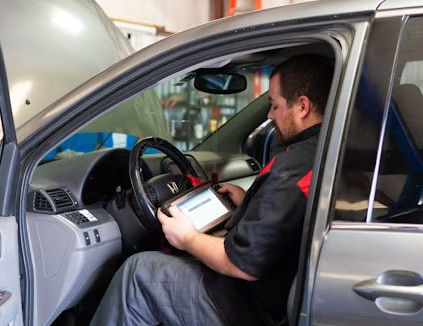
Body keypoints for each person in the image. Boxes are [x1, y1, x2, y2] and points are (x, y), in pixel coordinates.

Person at [89, 54, 334, 326]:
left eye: (274, 105)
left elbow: (243, 264)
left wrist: (187, 238)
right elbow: (289, 221)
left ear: (302, 106)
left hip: (249, 307)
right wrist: (247, 205)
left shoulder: (293, 166)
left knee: (138, 272)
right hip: (277, 294)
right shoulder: (323, 152)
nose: (269, 114)